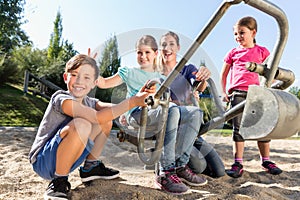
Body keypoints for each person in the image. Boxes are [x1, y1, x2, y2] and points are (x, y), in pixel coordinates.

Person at [28, 54, 154, 199]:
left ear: (94, 83)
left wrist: (137, 98)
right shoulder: (61, 98)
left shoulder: (90, 101)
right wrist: (131, 102)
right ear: (65, 77)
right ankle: (58, 182)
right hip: (44, 161)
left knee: (106, 120)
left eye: (87, 77)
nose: (80, 81)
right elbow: (96, 116)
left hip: (70, 159)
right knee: (82, 123)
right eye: (75, 75)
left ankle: (90, 168)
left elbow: (111, 110)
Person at [97, 35, 207, 194]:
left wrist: (193, 93)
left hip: (159, 111)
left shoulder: (162, 76)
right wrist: (91, 69)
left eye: (147, 52)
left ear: (156, 53)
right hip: (137, 112)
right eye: (139, 53)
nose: (143, 56)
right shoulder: (129, 72)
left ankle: (180, 165)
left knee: (195, 112)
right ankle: (165, 172)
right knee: (170, 109)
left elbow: (172, 99)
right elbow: (104, 83)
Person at [220, 16, 282, 178]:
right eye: (235, 34)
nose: (238, 37)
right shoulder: (233, 52)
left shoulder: (262, 51)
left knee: (263, 127)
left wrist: (272, 87)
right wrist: (224, 91)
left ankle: (266, 160)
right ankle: (238, 162)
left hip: (258, 93)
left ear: (253, 32)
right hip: (238, 93)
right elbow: (224, 73)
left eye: (242, 32)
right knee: (238, 129)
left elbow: (271, 71)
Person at [158, 31, 225, 178]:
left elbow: (198, 84)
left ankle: (179, 156)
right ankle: (162, 157)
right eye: (163, 44)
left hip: (190, 128)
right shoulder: (157, 75)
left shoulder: (187, 68)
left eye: (171, 44)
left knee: (219, 171)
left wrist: (203, 75)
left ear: (178, 47)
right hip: (171, 129)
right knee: (199, 167)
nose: (167, 48)